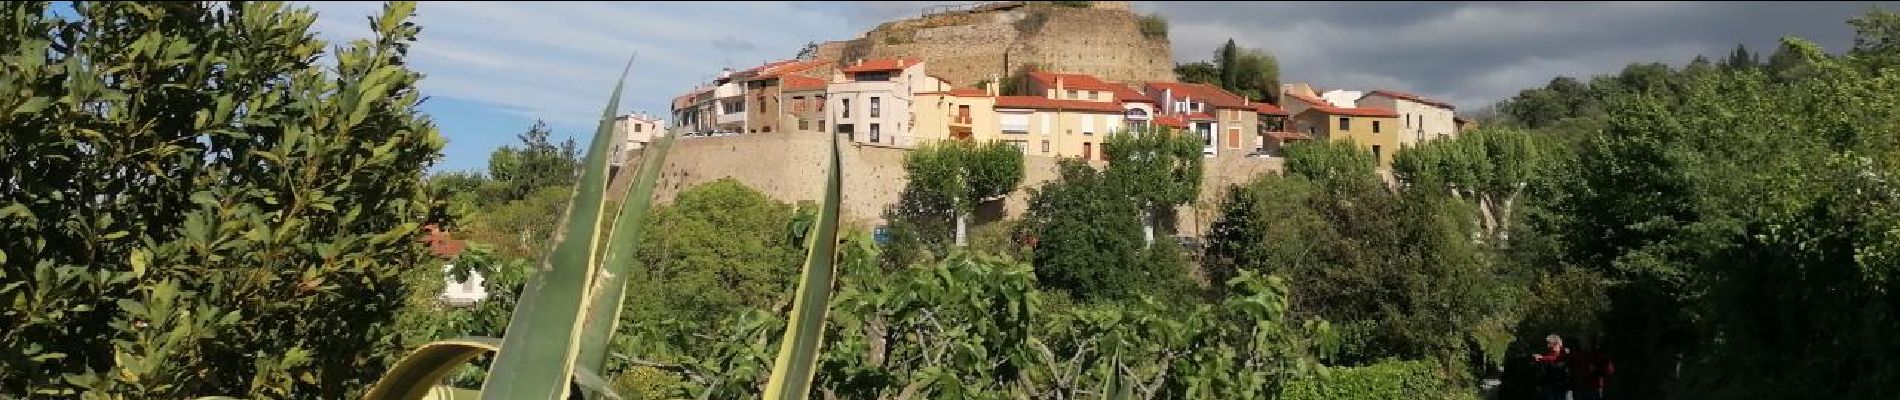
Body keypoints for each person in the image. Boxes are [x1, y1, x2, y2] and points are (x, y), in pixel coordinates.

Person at [1568, 336, 1614, 400]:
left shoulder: (1598, 354)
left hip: (1593, 387)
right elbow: (1571, 369)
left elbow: (1608, 370)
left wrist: (1596, 370)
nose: (1583, 343)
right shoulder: (1576, 354)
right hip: (1579, 387)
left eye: (1585, 341)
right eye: (1582, 341)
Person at [1531, 334, 1570, 400]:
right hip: (1551, 384)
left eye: (1550, 343)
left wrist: (1542, 358)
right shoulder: (1549, 353)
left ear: (1556, 343)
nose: (1548, 346)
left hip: (1564, 384)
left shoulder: (1565, 353)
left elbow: (1555, 359)